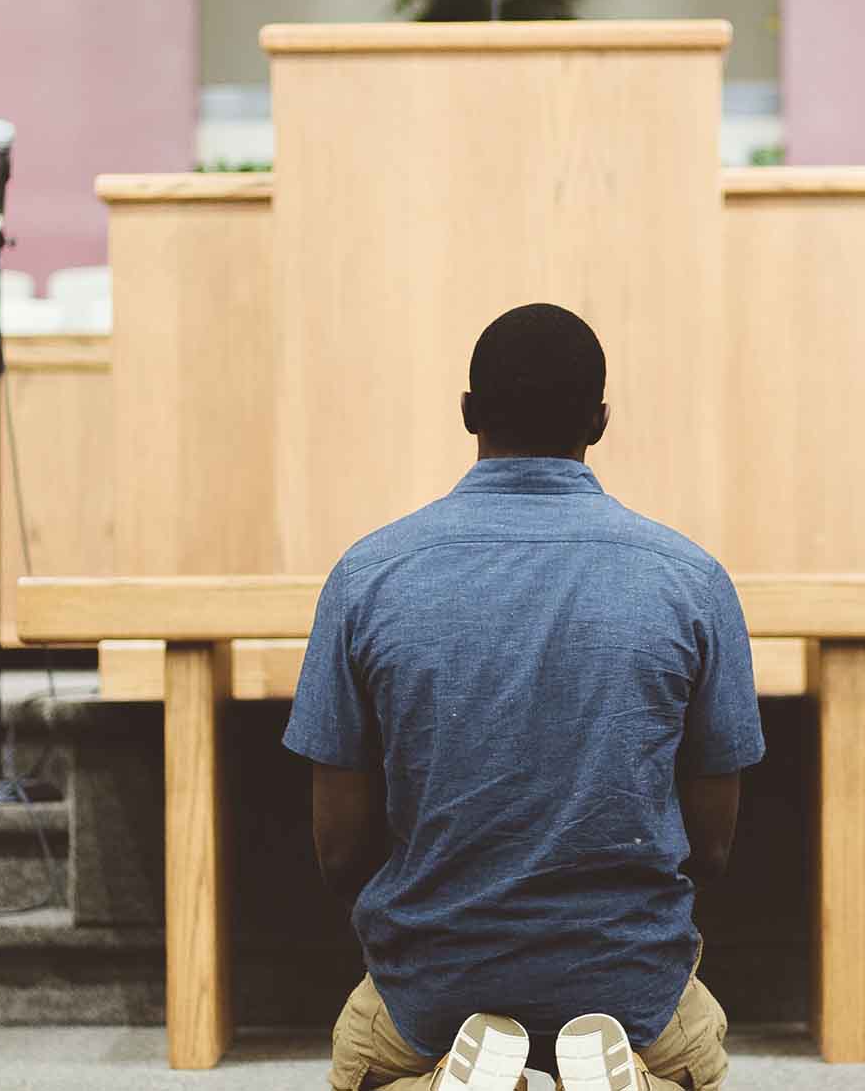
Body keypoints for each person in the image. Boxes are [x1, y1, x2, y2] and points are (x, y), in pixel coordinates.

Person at [284, 303, 764, 1091]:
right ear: (601, 422)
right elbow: (712, 849)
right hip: (634, 992)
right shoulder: (691, 581)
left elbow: (339, 852)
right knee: (694, 1065)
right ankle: (631, 1078)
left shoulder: (368, 576)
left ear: (468, 412)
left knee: (364, 1071)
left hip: (427, 987)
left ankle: (441, 1079)